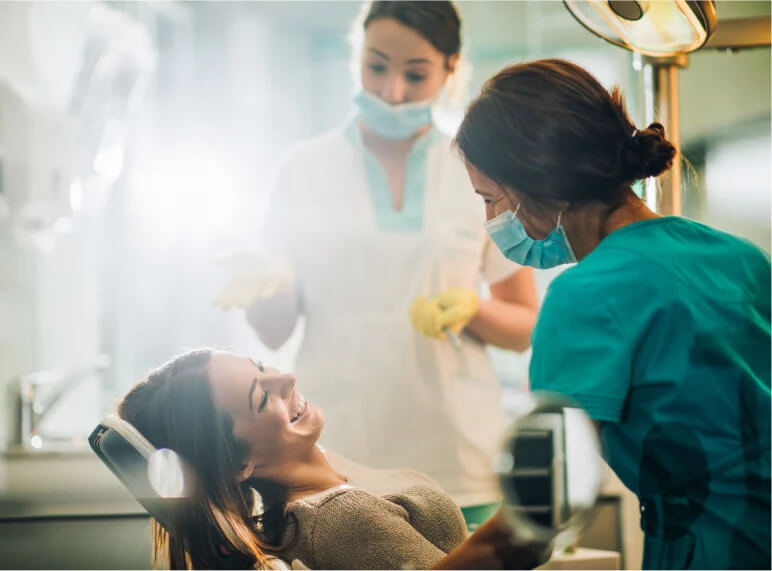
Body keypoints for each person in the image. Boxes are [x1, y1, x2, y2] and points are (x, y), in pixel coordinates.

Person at [215, 1, 539, 524]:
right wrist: (266, 288)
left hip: (456, 459)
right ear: (357, 56)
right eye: (377, 66)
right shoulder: (305, 170)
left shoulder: (477, 169)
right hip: (337, 457)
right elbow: (274, 335)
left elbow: (523, 325)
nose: (392, 91)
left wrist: (470, 311)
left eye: (415, 74)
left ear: (451, 68)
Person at [454, 58, 771, 570]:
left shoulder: (587, 296)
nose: (490, 219)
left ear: (541, 182)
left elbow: (530, 527)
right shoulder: (740, 256)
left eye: (490, 199)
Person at [116, 348, 548, 570]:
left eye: (263, 366)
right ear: (238, 464)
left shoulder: (320, 476)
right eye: (261, 395)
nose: (286, 378)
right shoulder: (338, 519)